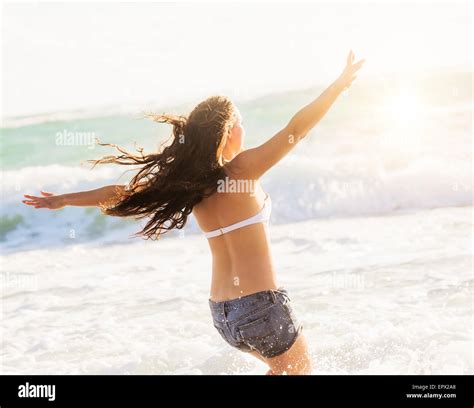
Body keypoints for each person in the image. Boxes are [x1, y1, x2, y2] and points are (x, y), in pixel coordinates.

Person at [23, 50, 365, 375]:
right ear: (229, 132)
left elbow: (122, 193)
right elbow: (296, 129)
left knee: (283, 370)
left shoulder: (188, 185)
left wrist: (65, 199)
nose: (245, 131)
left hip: (224, 316)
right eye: (241, 123)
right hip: (261, 308)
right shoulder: (241, 171)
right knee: (300, 370)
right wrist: (336, 87)